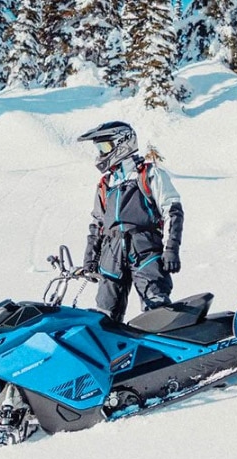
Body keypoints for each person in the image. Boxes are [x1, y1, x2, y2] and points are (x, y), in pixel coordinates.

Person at [78, 121, 184, 322]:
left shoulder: (148, 174)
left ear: (122, 143)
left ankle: (173, 350)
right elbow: (97, 224)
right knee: (105, 315)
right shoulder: (105, 184)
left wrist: (172, 249)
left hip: (144, 249)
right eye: (100, 148)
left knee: (157, 307)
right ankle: (113, 352)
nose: (101, 153)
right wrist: (90, 258)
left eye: (105, 147)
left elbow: (172, 210)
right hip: (111, 254)